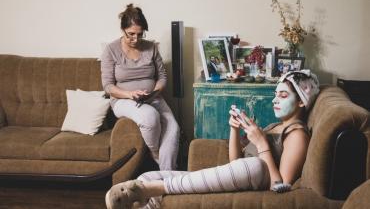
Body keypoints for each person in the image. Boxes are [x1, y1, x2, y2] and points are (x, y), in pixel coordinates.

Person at [105, 70, 320, 209]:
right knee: (147, 175)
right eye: (275, 94)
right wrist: (233, 130)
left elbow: (280, 187)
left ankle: (152, 189)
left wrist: (262, 144)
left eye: (283, 96)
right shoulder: (275, 126)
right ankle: (146, 190)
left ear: (301, 102)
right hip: (241, 172)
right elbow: (235, 163)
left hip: (256, 175)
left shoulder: (297, 133)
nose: (275, 100)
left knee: (254, 166)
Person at [100, 4, 180, 171]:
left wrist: (154, 92)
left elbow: (162, 77)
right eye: (131, 34)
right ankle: (156, 154)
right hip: (123, 100)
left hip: (152, 97)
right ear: (123, 30)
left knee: (173, 128)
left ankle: (168, 180)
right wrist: (129, 94)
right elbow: (107, 86)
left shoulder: (151, 47)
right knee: (150, 117)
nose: (136, 39)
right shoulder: (111, 50)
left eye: (140, 34)